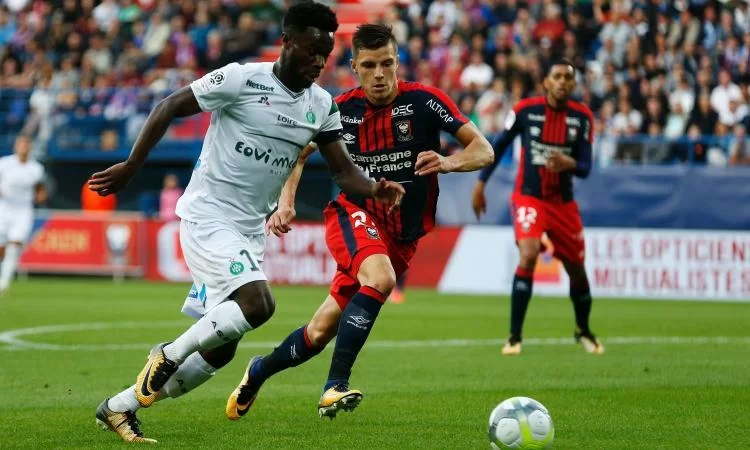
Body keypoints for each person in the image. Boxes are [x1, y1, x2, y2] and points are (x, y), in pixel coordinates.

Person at [89, 3, 405, 443]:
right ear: (287, 42)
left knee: (221, 352)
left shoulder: (320, 105)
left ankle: (119, 406)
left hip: (249, 231)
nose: (318, 61)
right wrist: (130, 167)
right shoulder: (241, 79)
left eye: (325, 54)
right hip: (208, 217)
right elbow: (168, 106)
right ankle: (168, 353)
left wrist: (374, 188)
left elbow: (343, 172)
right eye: (311, 50)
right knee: (258, 305)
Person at [225, 24, 493, 420]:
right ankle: (334, 386)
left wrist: (448, 161)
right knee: (381, 279)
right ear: (354, 67)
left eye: (387, 63)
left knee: (319, 332)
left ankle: (258, 371)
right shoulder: (338, 110)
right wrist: (286, 202)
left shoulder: (426, 102)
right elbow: (299, 153)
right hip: (353, 214)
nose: (379, 74)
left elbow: (483, 150)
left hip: (401, 236)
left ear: (398, 61)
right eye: (369, 65)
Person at [471, 59, 604, 356]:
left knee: (577, 271)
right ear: (546, 82)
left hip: (563, 204)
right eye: (557, 76)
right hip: (529, 197)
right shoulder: (525, 111)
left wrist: (570, 163)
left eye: (567, 78)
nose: (562, 82)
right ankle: (514, 337)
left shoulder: (582, 117)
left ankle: (583, 329)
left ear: (574, 84)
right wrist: (480, 184)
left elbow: (585, 167)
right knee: (529, 253)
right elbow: (499, 145)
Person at [0, 134, 46, 295]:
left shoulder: (36, 168)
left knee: (15, 244)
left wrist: (41, 196)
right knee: (2, 247)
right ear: (15, 146)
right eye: (21, 144)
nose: (23, 147)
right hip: (4, 207)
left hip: (23, 210)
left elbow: (40, 189)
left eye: (26, 144)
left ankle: (4, 282)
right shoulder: (4, 164)